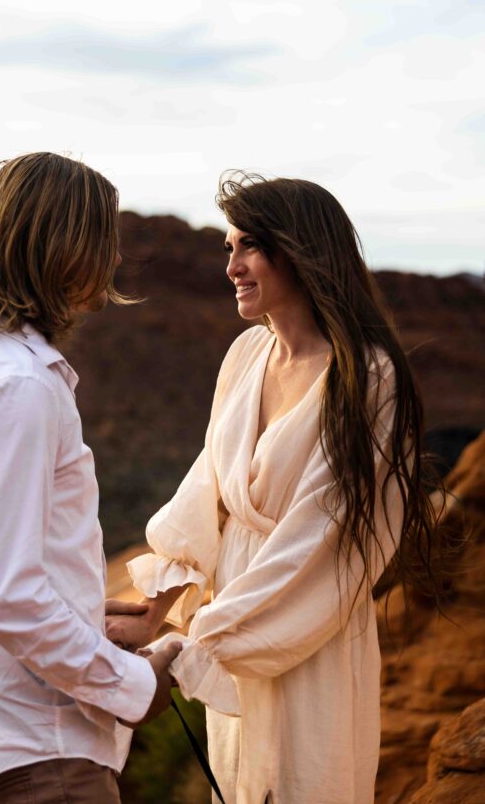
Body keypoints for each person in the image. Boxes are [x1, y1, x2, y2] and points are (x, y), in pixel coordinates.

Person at [106, 173, 442, 804]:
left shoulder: (368, 377)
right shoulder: (244, 356)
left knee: (303, 782)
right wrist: (156, 611)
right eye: (227, 249)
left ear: (301, 250)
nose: (231, 266)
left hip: (306, 625)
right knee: (237, 786)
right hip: (233, 614)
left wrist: (193, 648)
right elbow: (205, 496)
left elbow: (323, 542)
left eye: (248, 248)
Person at [0, 152, 181, 804]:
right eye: (101, 240)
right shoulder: (17, 386)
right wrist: (134, 687)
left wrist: (75, 607)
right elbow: (1, 594)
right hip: (35, 748)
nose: (111, 262)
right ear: (62, 249)